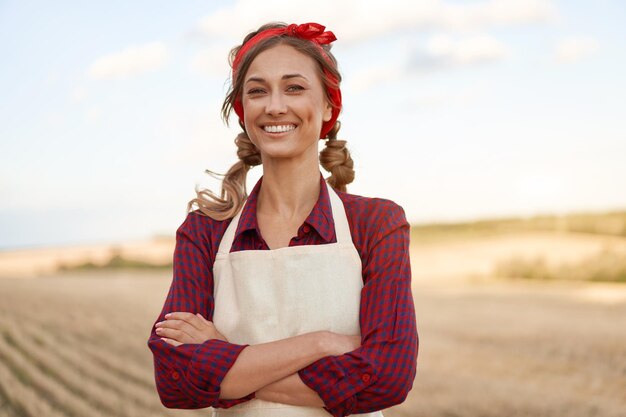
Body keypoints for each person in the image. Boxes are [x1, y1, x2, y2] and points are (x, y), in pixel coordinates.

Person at [147, 22, 418, 417]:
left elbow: (388, 377)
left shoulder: (376, 223)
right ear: (243, 112)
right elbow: (174, 380)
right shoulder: (204, 232)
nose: (275, 105)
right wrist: (322, 343)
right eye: (257, 91)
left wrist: (225, 362)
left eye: (294, 87)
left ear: (328, 105)